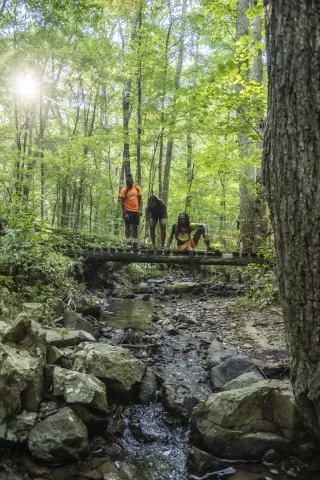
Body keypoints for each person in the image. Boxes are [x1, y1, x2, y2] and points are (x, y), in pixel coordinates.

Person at [120, 174, 142, 248]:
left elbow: (140, 200)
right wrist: (124, 213)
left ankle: (135, 242)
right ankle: (128, 241)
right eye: (127, 185)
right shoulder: (124, 189)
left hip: (136, 211)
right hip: (128, 210)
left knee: (135, 226)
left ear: (132, 183)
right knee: (128, 226)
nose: (128, 186)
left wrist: (140, 210)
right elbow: (122, 202)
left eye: (129, 185)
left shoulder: (137, 188)